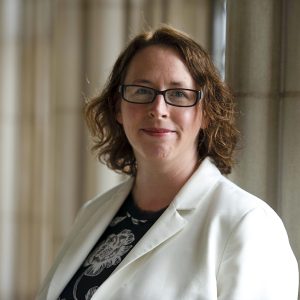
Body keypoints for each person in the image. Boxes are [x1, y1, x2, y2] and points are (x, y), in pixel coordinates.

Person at [37, 26, 299, 300]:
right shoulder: (93, 213)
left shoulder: (247, 224)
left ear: (206, 111)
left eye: (179, 94)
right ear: (118, 108)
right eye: (141, 91)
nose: (158, 110)